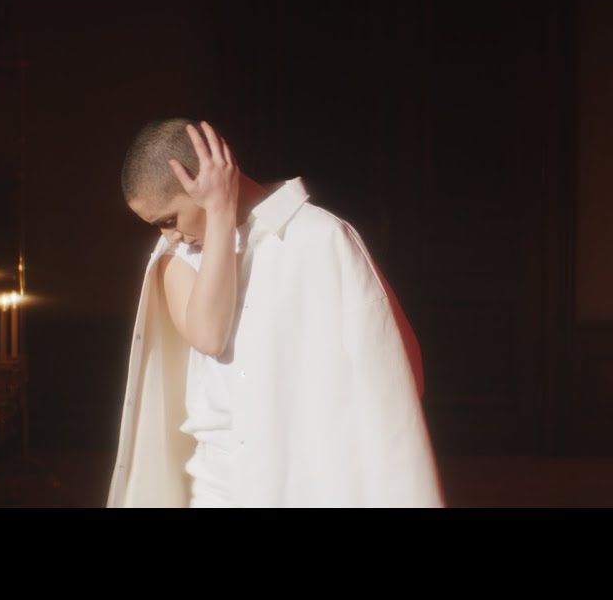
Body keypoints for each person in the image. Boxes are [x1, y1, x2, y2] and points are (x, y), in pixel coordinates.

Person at [107, 118, 443, 507]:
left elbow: (400, 375)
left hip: (304, 480)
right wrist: (220, 214)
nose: (170, 235)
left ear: (207, 178)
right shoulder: (178, 256)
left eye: (170, 219)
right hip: (216, 483)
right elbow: (209, 336)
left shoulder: (320, 237)